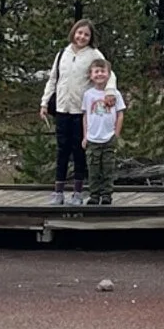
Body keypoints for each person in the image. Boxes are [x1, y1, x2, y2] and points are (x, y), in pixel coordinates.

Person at [39, 19, 115, 208]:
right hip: (62, 109)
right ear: (73, 32)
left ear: (90, 38)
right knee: (62, 150)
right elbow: (53, 79)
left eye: (86, 34)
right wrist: (44, 103)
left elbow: (110, 74)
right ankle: (58, 192)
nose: (81, 37)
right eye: (79, 33)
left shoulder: (93, 54)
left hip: (81, 111)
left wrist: (110, 91)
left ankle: (78, 192)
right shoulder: (62, 53)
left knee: (79, 150)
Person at [80, 56, 126, 212]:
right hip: (93, 138)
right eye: (96, 72)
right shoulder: (88, 95)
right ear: (91, 75)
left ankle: (107, 195)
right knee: (93, 169)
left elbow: (120, 114)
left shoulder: (115, 95)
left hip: (108, 137)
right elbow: (86, 116)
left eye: (103, 71)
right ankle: (94, 195)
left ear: (108, 74)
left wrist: (116, 134)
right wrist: (85, 136)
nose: (100, 74)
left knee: (108, 168)